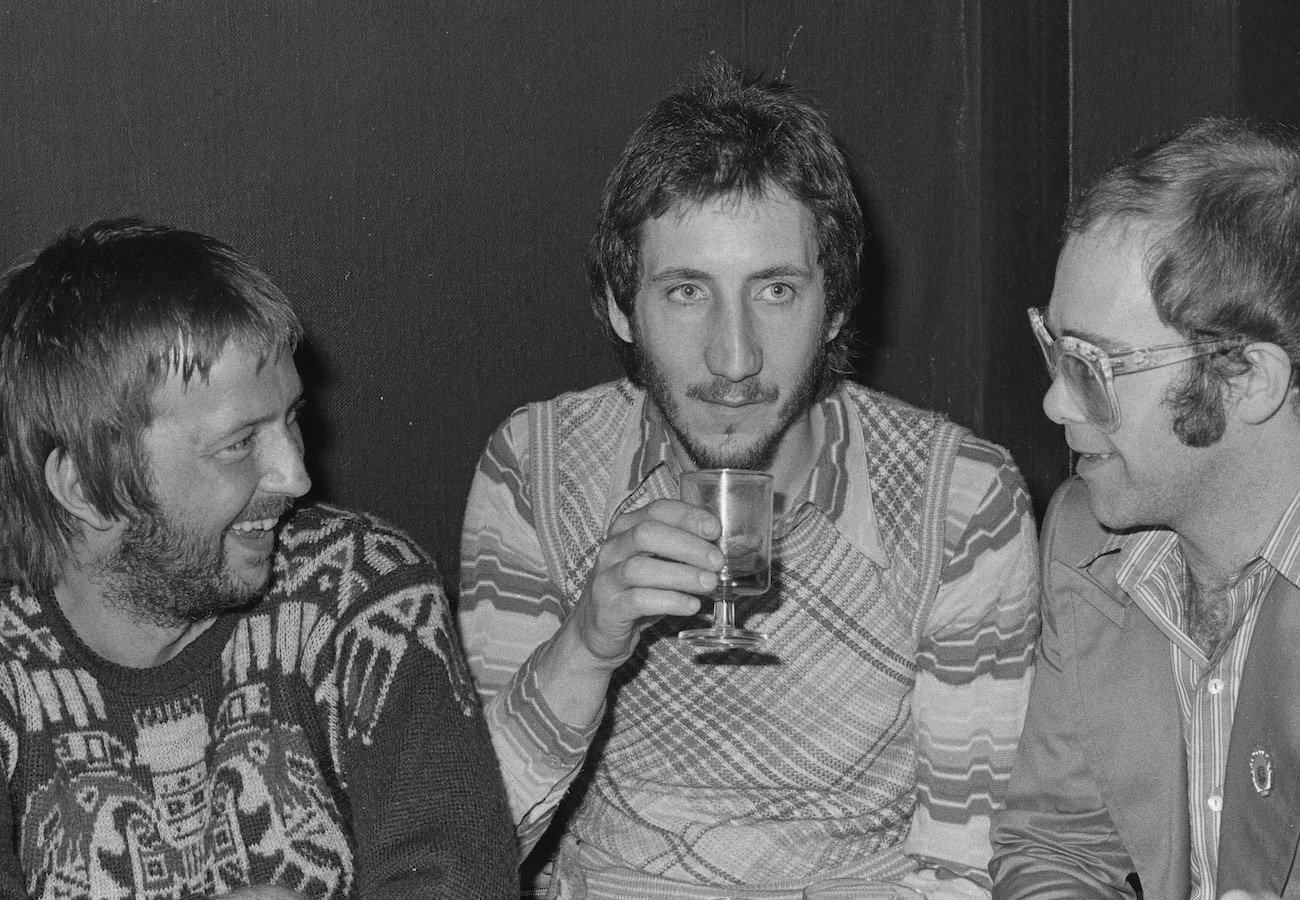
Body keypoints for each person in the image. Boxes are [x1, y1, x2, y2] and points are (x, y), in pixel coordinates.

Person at [460, 62, 1040, 899]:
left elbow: (965, 871)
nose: (735, 360)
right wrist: (585, 648)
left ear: (836, 302)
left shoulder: (960, 501)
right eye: (687, 291)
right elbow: (468, 850)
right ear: (622, 307)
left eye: (775, 290)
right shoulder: (535, 469)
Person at [0, 218, 518, 899]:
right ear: (87, 488)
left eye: (291, 418)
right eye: (240, 443)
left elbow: (459, 878)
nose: (295, 475)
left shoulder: (364, 593)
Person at [990, 118, 1300, 900]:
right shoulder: (1083, 536)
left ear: (1246, 380)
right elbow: (1057, 845)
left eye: (1094, 364)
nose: (1056, 400)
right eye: (1054, 351)